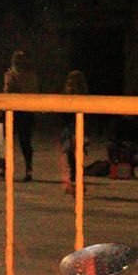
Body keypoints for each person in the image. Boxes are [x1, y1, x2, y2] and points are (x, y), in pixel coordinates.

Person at [2, 48, 40, 181]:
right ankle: (28, 169)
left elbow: (7, 90)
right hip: (26, 111)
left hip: (15, 110)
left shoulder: (11, 74)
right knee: (24, 142)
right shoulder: (31, 75)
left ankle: (6, 168)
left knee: (11, 141)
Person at [58, 68, 89, 196]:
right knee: (71, 154)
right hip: (69, 128)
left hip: (77, 127)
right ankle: (74, 179)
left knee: (75, 154)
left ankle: (76, 179)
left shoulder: (83, 95)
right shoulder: (65, 93)